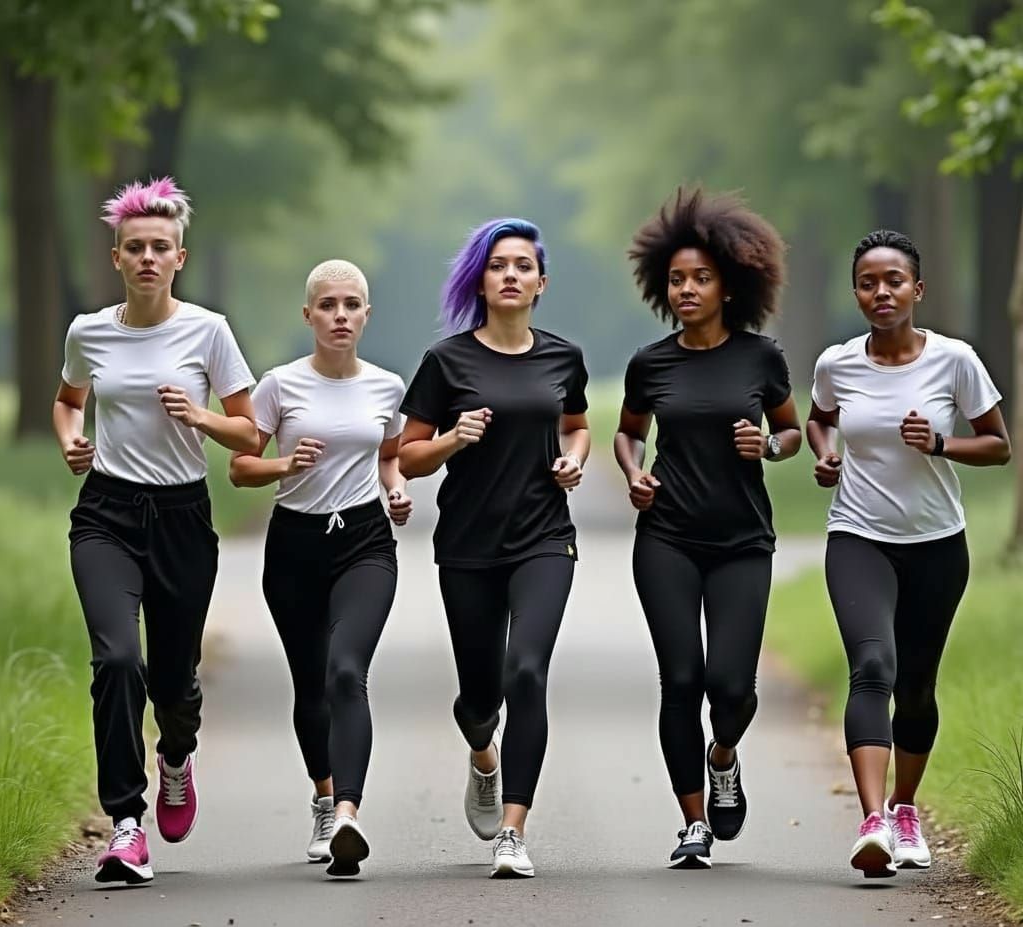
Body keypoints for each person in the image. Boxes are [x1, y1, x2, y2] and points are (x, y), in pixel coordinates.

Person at [53, 177, 258, 884]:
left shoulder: (208, 331)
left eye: (159, 248)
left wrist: (201, 419)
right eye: (134, 247)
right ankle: (126, 823)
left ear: (180, 257)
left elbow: (251, 434)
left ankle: (175, 755)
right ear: (117, 258)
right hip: (106, 514)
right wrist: (73, 439)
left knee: (173, 681)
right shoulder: (89, 331)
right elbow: (67, 400)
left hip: (181, 517)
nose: (147, 258)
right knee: (116, 662)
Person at [807, 229, 1010, 878]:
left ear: (916, 290)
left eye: (893, 280)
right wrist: (825, 451)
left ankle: (903, 809)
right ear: (856, 292)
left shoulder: (954, 361)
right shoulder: (838, 363)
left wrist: (941, 444)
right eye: (868, 282)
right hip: (858, 538)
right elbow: (819, 415)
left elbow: (1000, 445)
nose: (881, 292)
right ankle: (871, 825)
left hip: (936, 546)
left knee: (916, 688)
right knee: (872, 665)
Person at [613, 186, 801, 869]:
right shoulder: (651, 364)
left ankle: (724, 756)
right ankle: (694, 821)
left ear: (730, 284)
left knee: (732, 689)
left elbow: (791, 435)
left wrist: (770, 447)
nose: (687, 289)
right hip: (666, 537)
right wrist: (634, 473)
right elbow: (628, 435)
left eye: (701, 278)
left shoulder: (761, 358)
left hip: (742, 541)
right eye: (677, 280)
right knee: (682, 680)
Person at [398, 218, 589, 879]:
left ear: (541, 281)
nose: (510, 274)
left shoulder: (563, 357)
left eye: (521, 265)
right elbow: (409, 458)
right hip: (468, 547)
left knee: (527, 673)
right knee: (480, 698)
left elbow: (578, 425)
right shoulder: (447, 362)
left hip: (544, 538)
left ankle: (513, 829)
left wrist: (573, 460)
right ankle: (484, 754)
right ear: (481, 279)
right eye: (497, 265)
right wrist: (453, 438)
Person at [229, 260, 410, 877]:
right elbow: (240, 468)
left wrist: (396, 488)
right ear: (308, 315)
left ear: (366, 314)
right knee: (310, 681)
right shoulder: (278, 386)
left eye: (351, 305)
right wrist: (286, 466)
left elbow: (389, 455)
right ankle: (324, 796)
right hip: (295, 546)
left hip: (364, 541)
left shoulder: (387, 387)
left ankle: (348, 814)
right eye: (327, 305)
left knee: (345, 671)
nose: (340, 316)